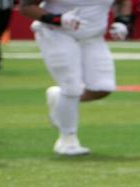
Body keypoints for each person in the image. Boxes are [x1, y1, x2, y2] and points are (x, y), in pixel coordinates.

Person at [18, 0, 131, 156]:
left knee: (103, 88)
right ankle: (67, 140)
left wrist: (122, 21)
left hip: (93, 36)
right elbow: (26, 6)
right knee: (71, 87)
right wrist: (57, 18)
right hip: (55, 32)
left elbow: (124, 2)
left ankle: (59, 98)